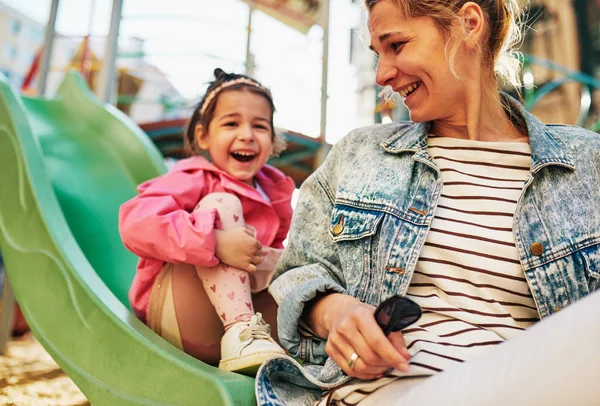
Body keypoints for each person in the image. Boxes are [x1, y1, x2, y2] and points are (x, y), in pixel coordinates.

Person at [254, 1, 600, 405]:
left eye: (396, 45)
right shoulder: (359, 154)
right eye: (377, 56)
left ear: (468, 25)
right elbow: (300, 274)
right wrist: (335, 312)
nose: (382, 74)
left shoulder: (587, 163)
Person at [119, 68, 296, 375]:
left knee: (294, 263)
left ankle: (304, 344)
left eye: (260, 126)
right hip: (180, 318)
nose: (247, 135)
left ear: (272, 139)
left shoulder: (274, 193)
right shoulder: (194, 177)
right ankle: (241, 328)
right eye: (231, 123)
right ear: (203, 135)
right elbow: (135, 222)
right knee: (222, 205)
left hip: (245, 331)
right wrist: (213, 242)